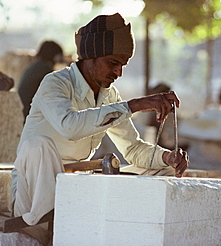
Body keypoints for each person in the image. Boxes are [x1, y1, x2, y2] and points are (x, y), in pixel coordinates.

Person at [11, 13, 189, 245]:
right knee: (38, 146)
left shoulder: (109, 96)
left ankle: (123, 232)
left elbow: (132, 149)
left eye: (123, 65)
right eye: (113, 63)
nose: (119, 72)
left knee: (162, 172)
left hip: (74, 190)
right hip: (33, 194)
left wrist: (168, 157)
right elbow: (70, 126)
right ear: (90, 57)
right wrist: (135, 105)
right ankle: (46, 229)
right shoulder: (55, 83)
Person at [18, 40, 64, 119]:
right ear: (54, 55)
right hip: (30, 112)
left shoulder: (37, 66)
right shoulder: (44, 70)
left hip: (25, 110)